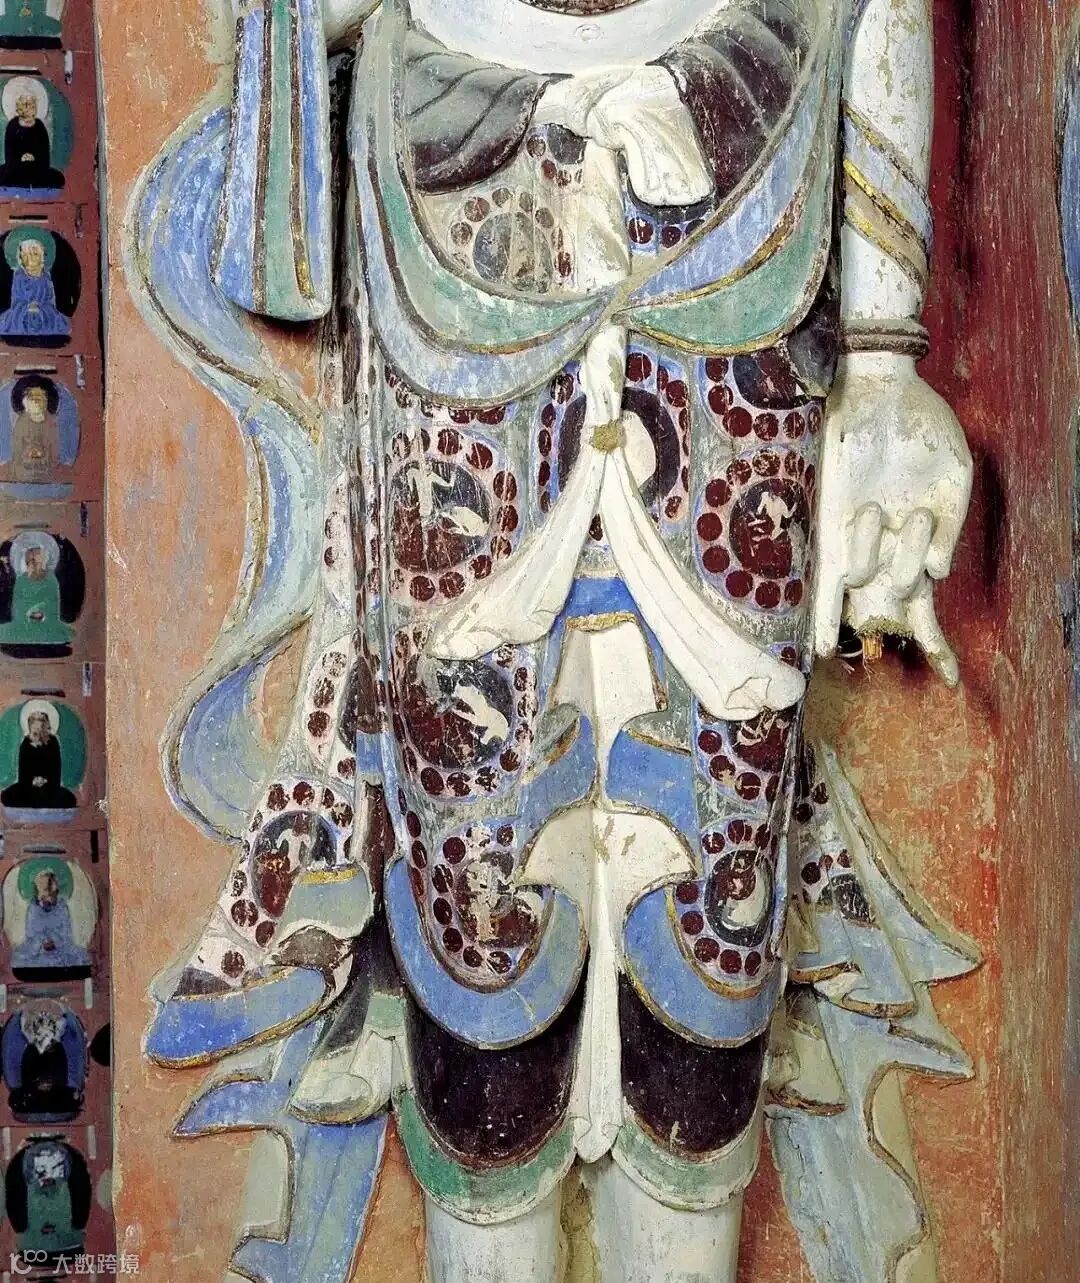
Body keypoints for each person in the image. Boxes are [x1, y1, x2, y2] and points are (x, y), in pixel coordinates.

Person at [0, 535, 75, 653]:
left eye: (37, 560)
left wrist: (41, 611)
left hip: (47, 622)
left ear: (44, 560)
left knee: (61, 632)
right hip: (24, 623)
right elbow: (17, 606)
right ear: (26, 562)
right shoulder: (21, 580)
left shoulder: (51, 580)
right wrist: (28, 613)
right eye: (31, 561)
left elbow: (53, 604)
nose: (34, 564)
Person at [11, 868, 91, 977]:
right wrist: (41, 941)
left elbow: (67, 934)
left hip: (61, 949)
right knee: (18, 959)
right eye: (45, 893)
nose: (48, 898)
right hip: (37, 950)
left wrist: (55, 941)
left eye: (53, 893)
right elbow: (30, 935)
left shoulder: (62, 907)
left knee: (82, 957)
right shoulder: (33, 909)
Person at [0, 708, 76, 811]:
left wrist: (45, 781)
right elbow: (22, 774)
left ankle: (38, 802)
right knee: (7, 796)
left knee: (70, 799)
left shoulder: (53, 743)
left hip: (49, 788)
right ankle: (39, 802)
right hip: (28, 788)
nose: (39, 736)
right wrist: (32, 781)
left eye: (42, 731)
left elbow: (56, 772)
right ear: (30, 729)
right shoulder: (26, 744)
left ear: (47, 729)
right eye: (36, 732)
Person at [0, 235, 69, 340]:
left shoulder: (46, 277)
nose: (30, 259)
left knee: (59, 323)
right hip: (21, 314)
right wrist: (27, 307)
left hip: (44, 314)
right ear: (20, 258)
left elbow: (49, 301)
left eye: (35, 254)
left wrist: (40, 308)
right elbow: (16, 301)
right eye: (25, 255)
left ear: (42, 257)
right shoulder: (18, 276)